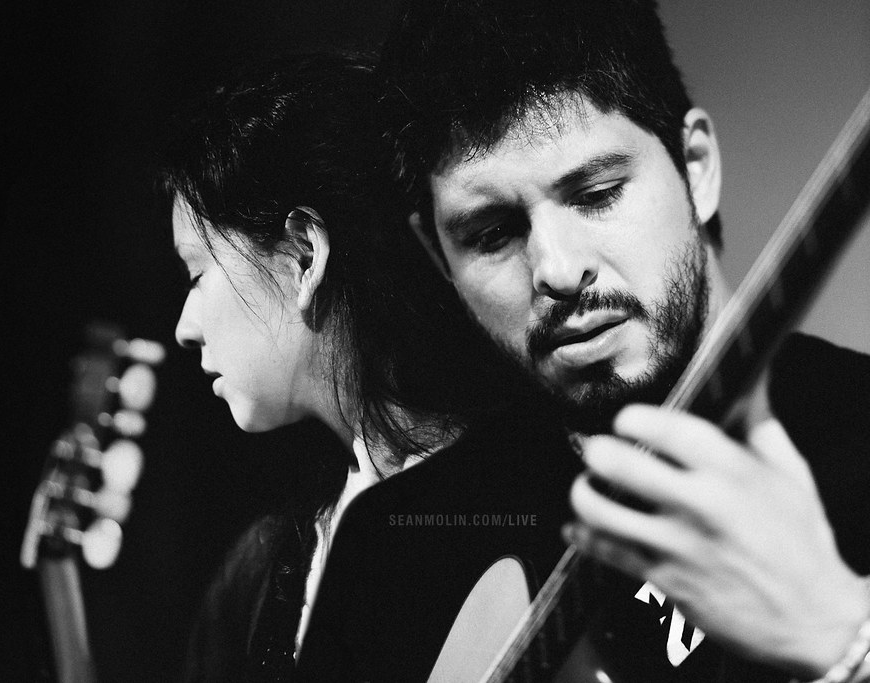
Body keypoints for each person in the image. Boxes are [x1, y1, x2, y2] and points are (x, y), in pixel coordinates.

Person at [296, 1, 870, 681]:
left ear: (696, 167)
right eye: (492, 234)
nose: (558, 270)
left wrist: (841, 638)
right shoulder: (388, 555)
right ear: (437, 255)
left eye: (597, 193)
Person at [159, 51, 518, 681]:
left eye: (197, 273)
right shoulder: (259, 573)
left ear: (304, 256)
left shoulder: (529, 484)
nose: (183, 329)